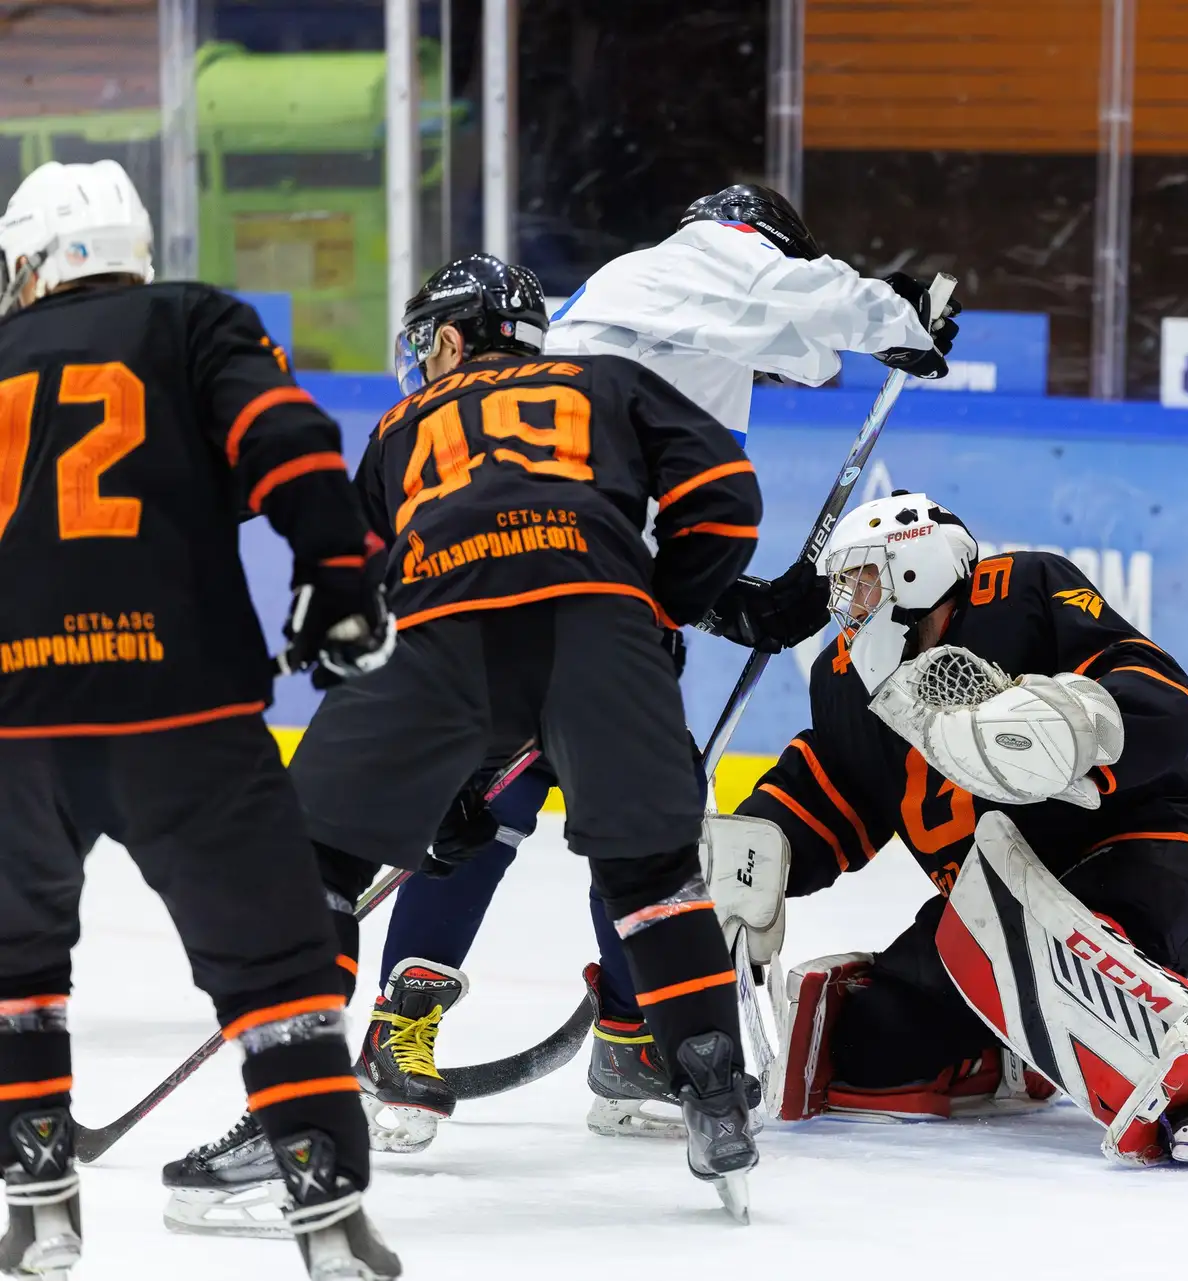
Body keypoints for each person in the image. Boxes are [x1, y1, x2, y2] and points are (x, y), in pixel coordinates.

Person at [333, 182, 959, 1149]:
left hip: (583, 600)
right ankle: (413, 1031)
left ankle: (624, 1042)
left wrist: (723, 599)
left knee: (617, 824)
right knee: (548, 819)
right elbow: (803, 303)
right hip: (551, 601)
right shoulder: (696, 259)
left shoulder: (679, 325)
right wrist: (897, 316)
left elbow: (798, 351)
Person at [166, 250, 768, 1225]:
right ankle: (715, 1098)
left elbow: (366, 586)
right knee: (653, 876)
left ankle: (295, 1120)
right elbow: (727, 496)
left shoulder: (401, 425)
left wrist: (435, 773)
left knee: (311, 860)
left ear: (450, 338)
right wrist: (657, 604)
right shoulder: (607, 381)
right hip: (601, 623)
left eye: (425, 342)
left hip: (441, 623)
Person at [0, 160, 401, 1279]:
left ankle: (39, 1203)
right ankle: (327, 1207)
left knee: (15, 964)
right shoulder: (190, 320)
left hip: (15, 719)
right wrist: (337, 574)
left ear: (30, 262)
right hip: (182, 704)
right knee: (277, 967)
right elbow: (288, 439)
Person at [713, 491, 1188, 1167]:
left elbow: (1160, 691)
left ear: (915, 568)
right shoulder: (843, 681)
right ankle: (1010, 1055)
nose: (850, 604)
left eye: (862, 581)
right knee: (868, 1045)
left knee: (1035, 940)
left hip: (1146, 854)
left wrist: (1077, 728)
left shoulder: (1024, 589)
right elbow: (830, 793)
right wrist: (749, 853)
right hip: (986, 919)